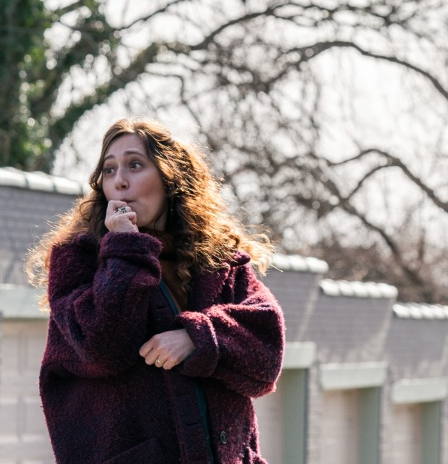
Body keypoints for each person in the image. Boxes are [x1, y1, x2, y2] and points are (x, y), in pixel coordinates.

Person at [26, 118, 285, 464]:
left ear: (170, 177)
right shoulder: (78, 259)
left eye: (135, 165)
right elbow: (101, 347)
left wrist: (198, 338)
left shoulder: (218, 260)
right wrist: (124, 247)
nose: (119, 180)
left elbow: (267, 354)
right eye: (109, 169)